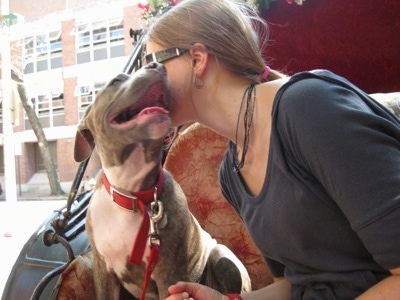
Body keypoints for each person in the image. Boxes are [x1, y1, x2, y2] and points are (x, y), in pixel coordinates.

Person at [143, 0, 400, 299]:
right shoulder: (232, 169)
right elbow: (295, 284)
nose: (146, 82)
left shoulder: (309, 107)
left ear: (197, 59)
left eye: (154, 65)